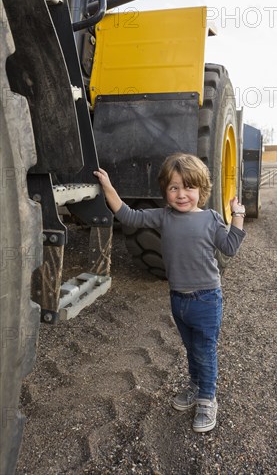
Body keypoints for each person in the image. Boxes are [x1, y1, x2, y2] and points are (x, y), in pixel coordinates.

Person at [94, 152, 246, 433]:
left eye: (188, 187)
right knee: (191, 350)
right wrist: (108, 187)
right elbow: (128, 215)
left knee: (205, 350)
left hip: (206, 299)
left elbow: (230, 248)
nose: (181, 194)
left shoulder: (211, 219)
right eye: (174, 187)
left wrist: (238, 215)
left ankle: (206, 399)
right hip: (178, 299)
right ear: (165, 190)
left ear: (201, 190)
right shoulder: (164, 217)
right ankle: (195, 385)